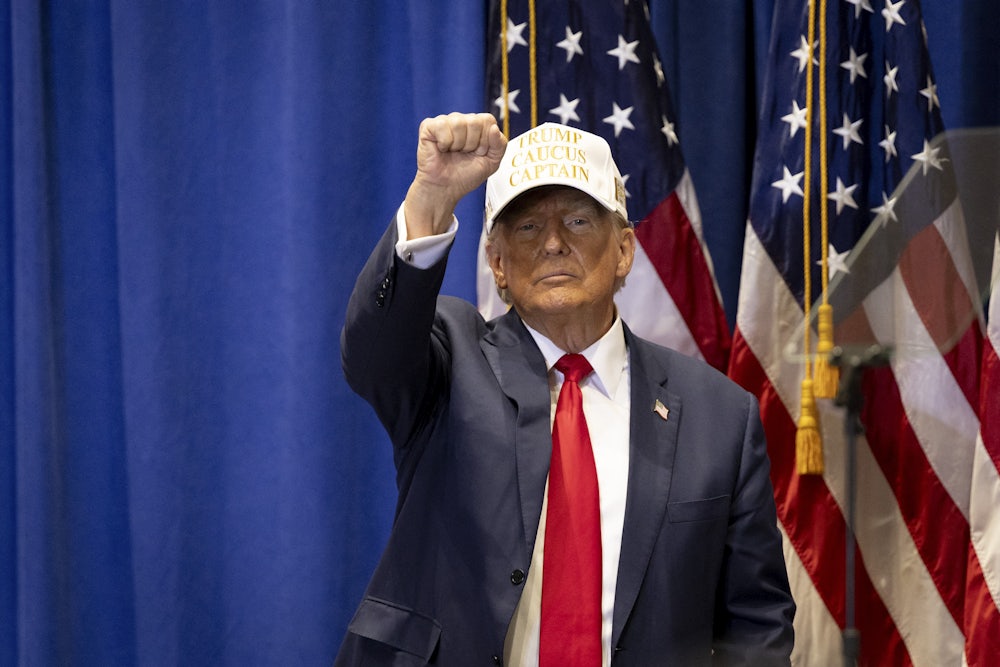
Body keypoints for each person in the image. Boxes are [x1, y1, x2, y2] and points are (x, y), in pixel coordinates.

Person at [337, 112, 794, 666]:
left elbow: (757, 626)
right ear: (498, 265)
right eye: (527, 227)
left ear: (624, 250)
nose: (553, 243)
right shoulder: (449, 361)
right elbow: (373, 354)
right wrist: (432, 197)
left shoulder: (719, 415)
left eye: (578, 221)